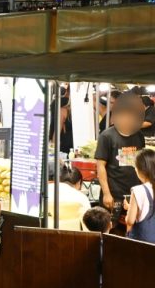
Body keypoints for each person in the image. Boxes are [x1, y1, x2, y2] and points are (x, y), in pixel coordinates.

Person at [96, 93, 146, 233]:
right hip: (114, 193)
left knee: (132, 228)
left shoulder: (139, 136)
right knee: (110, 229)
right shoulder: (107, 136)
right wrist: (106, 193)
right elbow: (100, 166)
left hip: (133, 192)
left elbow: (141, 163)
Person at [48, 166, 91, 230]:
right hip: (73, 233)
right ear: (79, 183)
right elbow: (88, 224)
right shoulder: (82, 197)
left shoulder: (46, 190)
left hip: (46, 231)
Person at [125, 148, 155, 242]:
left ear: (138, 169)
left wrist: (129, 211)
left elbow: (130, 221)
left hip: (144, 243)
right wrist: (130, 207)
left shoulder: (138, 190)